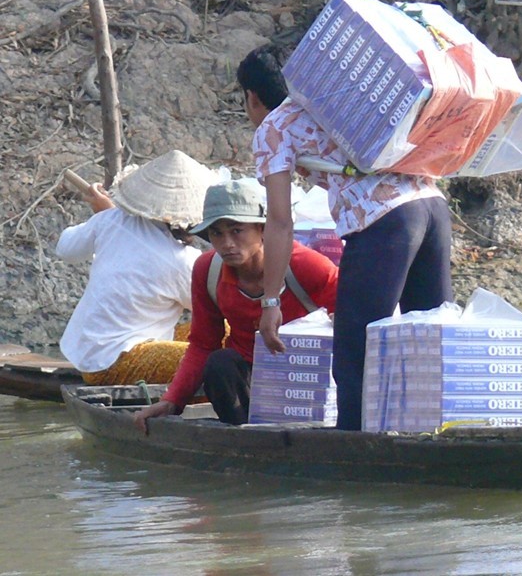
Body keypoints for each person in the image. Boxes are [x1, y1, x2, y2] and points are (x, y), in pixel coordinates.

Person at [236, 45, 454, 431]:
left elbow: (280, 222)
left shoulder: (274, 126)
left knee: (355, 355)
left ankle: (355, 457)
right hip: (433, 207)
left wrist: (271, 302)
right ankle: (439, 440)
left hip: (385, 220)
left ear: (253, 97)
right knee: (428, 342)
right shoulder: (337, 101)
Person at [133, 179, 338, 431]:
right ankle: (245, 437)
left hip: (304, 378)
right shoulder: (208, 271)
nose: (227, 243)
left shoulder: (305, 265)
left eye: (236, 230)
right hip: (248, 381)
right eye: (217, 233)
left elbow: (350, 318)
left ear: (261, 230)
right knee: (219, 363)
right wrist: (172, 401)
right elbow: (203, 344)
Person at [57, 149, 218, 385]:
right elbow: (212, 309)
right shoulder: (183, 261)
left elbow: (66, 248)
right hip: (113, 363)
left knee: (224, 333)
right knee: (223, 354)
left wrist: (106, 217)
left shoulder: (111, 219)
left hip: (89, 353)